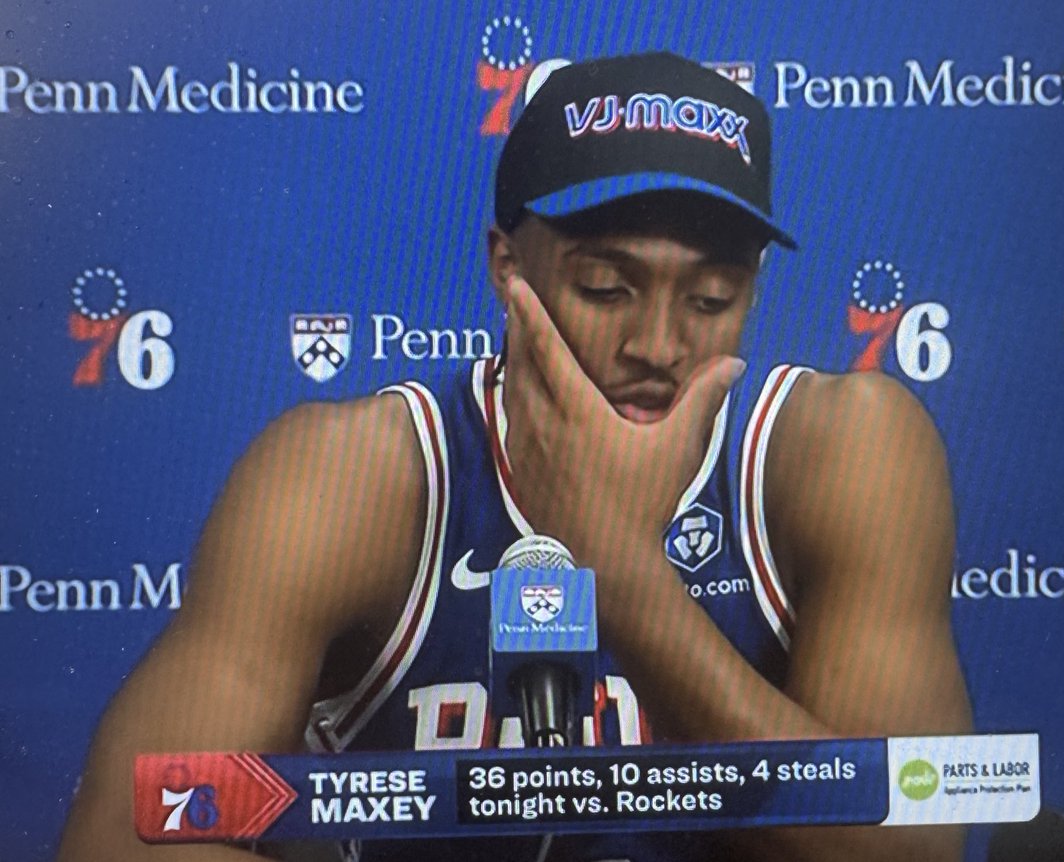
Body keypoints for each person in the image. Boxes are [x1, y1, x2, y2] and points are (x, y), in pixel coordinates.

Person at [58, 52, 971, 862]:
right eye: (605, 288)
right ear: (507, 266)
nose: (658, 345)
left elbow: (910, 843)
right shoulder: (359, 474)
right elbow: (125, 837)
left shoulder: (838, 451)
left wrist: (624, 580)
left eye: (710, 300)